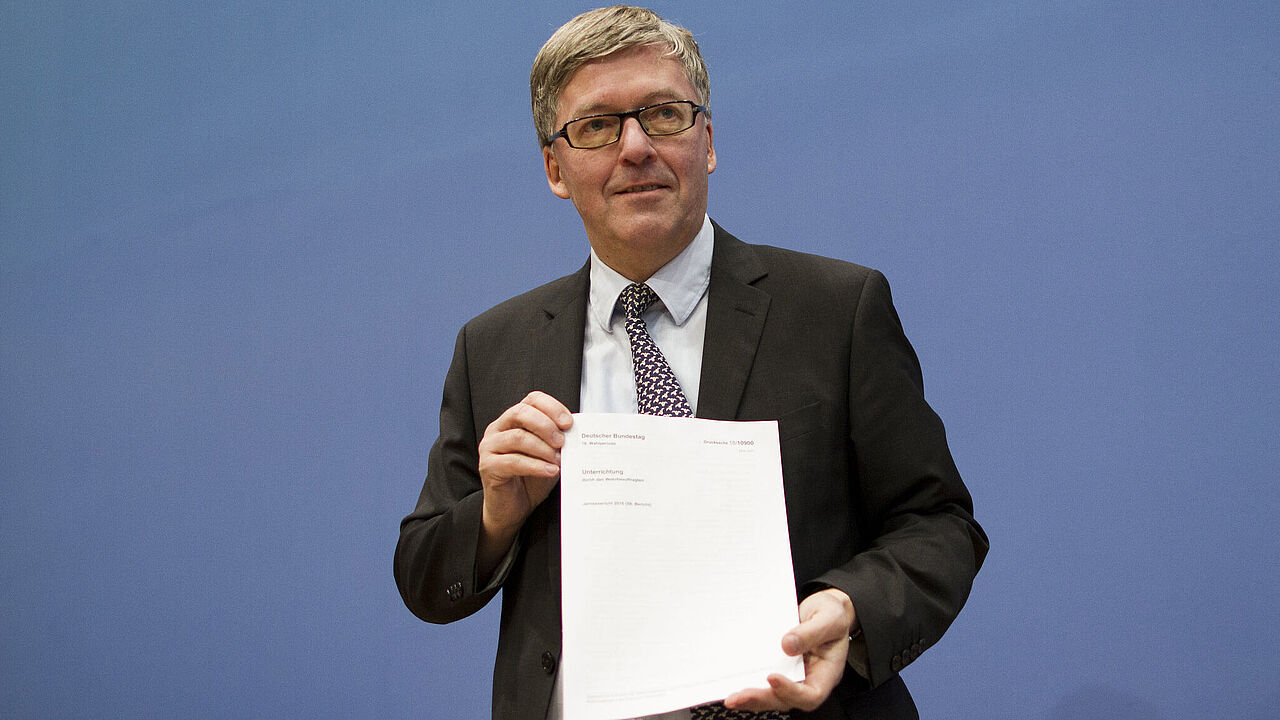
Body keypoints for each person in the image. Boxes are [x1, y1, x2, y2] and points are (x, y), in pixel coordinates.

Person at [395, 6, 987, 719]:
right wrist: (495, 519)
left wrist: (850, 606)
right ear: (555, 168)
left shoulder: (837, 309)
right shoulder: (494, 345)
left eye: (664, 115)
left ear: (707, 141)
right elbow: (424, 575)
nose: (635, 147)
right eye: (596, 126)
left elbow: (939, 525)